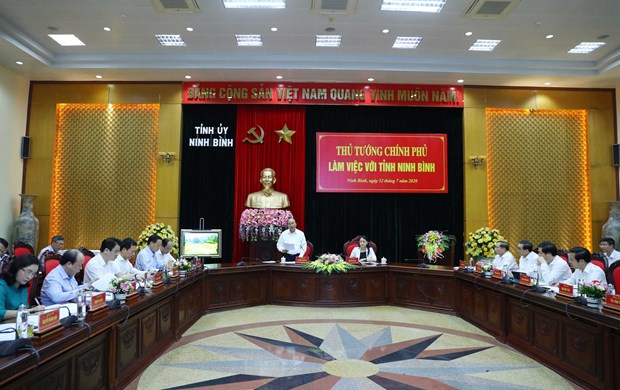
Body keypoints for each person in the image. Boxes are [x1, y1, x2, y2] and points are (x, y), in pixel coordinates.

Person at [0, 254, 44, 320]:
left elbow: (25, 307)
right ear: (17, 267)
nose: (29, 277)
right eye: (28, 272)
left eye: (33, 274)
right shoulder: (2, 285)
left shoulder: (23, 286)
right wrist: (29, 311)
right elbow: (0, 313)